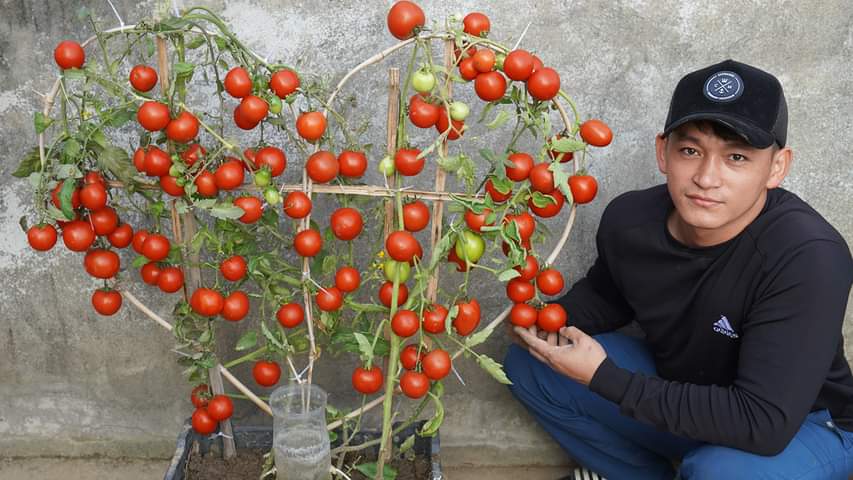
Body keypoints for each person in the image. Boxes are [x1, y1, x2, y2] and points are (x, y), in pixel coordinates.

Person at [503, 59, 853, 480]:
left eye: (736, 157)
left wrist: (604, 377)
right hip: (690, 391)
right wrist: (543, 323)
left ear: (777, 167)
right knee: (532, 364)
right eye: (690, 150)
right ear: (662, 152)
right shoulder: (630, 220)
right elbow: (609, 297)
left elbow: (764, 423)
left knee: (718, 472)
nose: (707, 177)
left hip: (803, 426)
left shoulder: (808, 255)